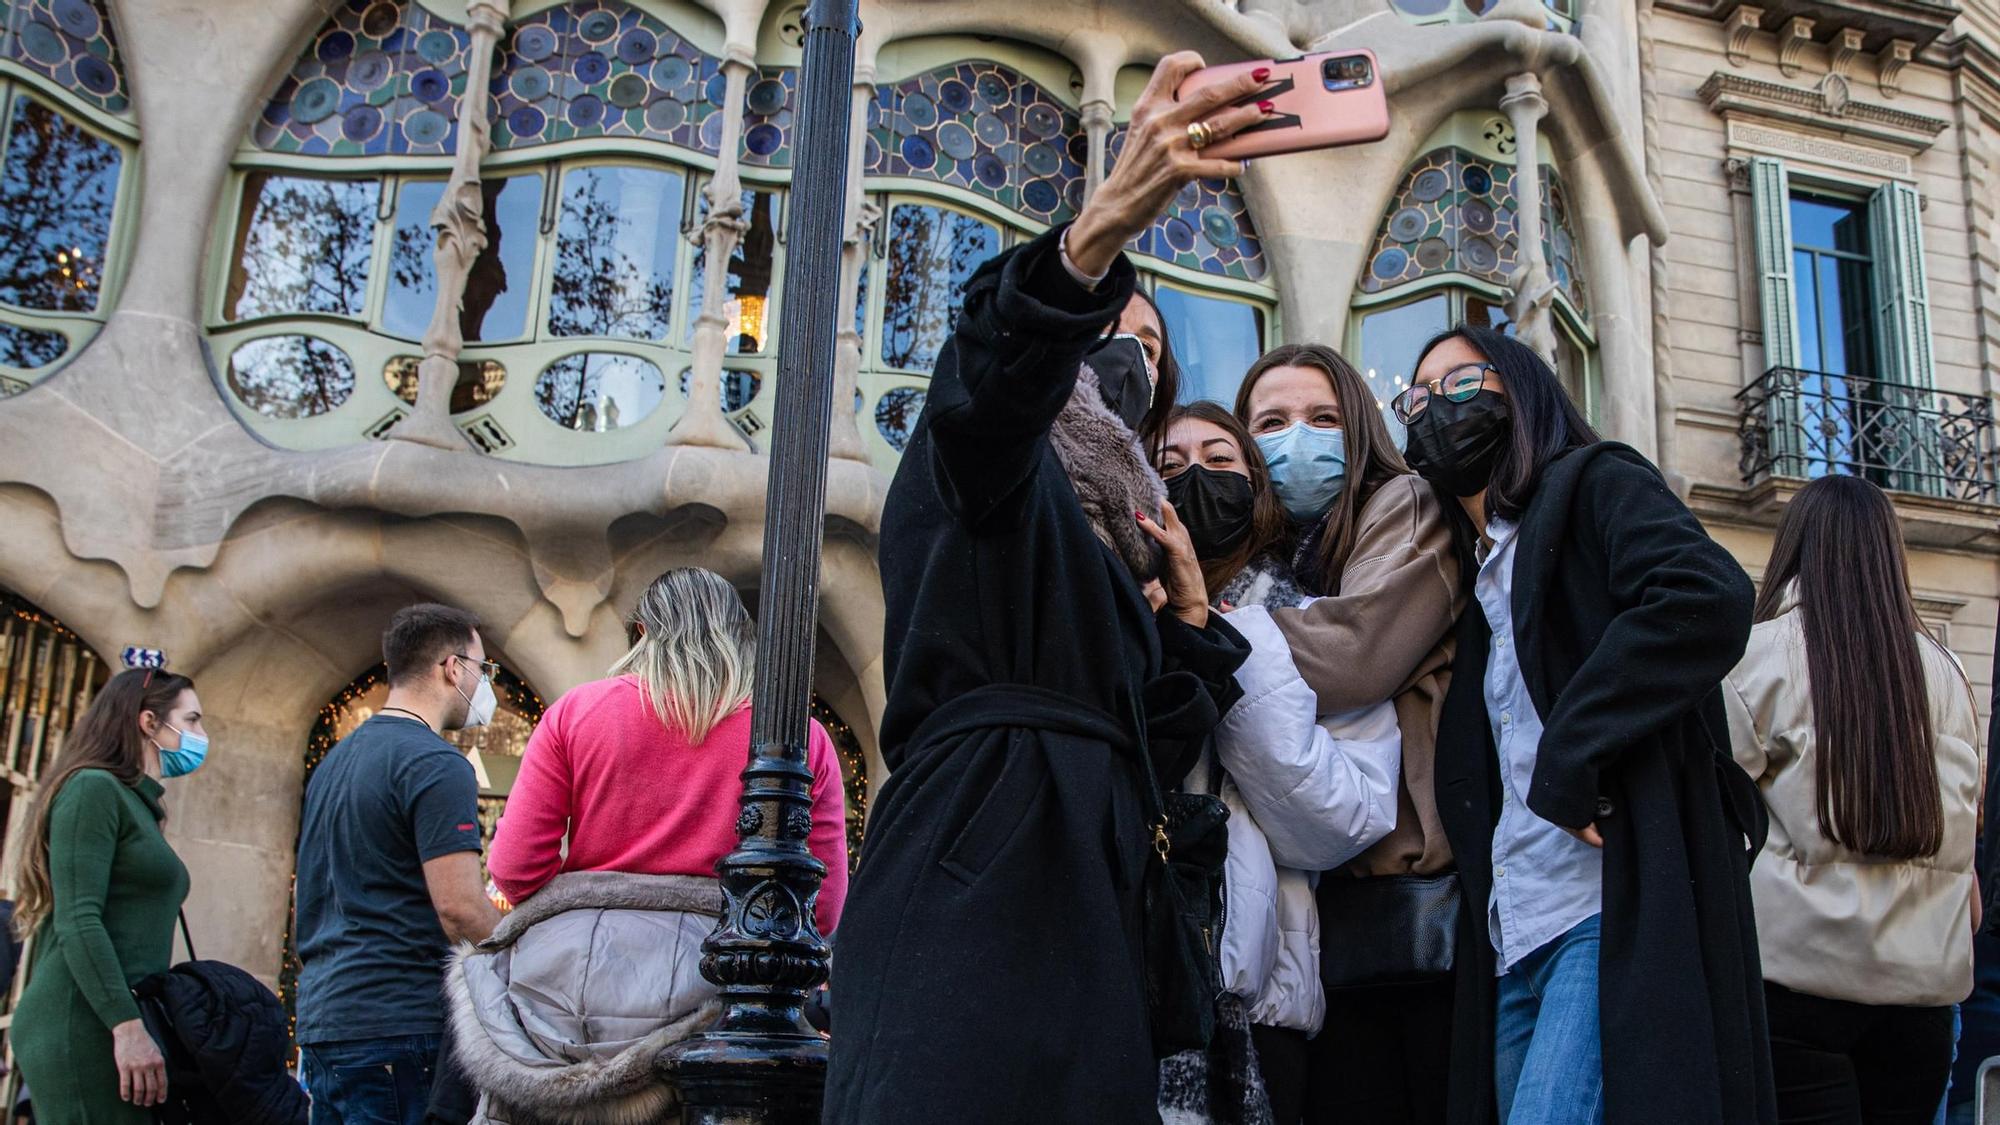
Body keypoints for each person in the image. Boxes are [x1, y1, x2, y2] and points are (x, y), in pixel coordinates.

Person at [823, 52, 1272, 1125]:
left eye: (1148, 351)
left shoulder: (1124, 552)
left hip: (1093, 900)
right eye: (1108, 332)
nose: (1123, 352)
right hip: (977, 873)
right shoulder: (981, 465)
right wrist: (1097, 234)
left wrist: (1192, 626)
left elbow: (1144, 747)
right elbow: (991, 380)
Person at [1405, 324, 1772, 1125]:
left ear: (1525, 392)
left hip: (1605, 909)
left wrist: (1574, 756)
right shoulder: (1478, 580)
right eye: (1419, 396)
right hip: (1515, 939)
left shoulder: (1594, 482)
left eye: (1463, 383)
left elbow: (1705, 594)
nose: (1437, 406)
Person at [448, 568, 850, 1122]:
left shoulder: (576, 713)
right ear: (742, 637)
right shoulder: (800, 738)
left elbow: (516, 869)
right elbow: (822, 907)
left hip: (563, 992)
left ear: (640, 632)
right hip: (721, 989)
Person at [1152, 402, 1403, 1124]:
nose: (1195, 476)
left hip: (1256, 1016)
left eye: (1221, 460)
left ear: (1257, 486)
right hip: (1116, 992)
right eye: (1169, 466)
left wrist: (1227, 643)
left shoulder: (1308, 625)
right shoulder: (1112, 612)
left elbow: (1340, 820)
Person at [1233, 344, 1464, 1125]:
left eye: (1323, 418)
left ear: (1360, 426)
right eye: (1271, 422)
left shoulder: (1403, 505)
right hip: (1313, 921)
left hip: (1403, 893)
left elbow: (1358, 650)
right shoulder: (1262, 554)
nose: (1298, 438)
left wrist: (1210, 633)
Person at [1724, 475, 1980, 1125]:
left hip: (1792, 983)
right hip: (1922, 992)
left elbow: (1717, 814)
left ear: (1794, 548)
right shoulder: (1946, 672)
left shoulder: (1755, 658)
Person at [293, 604, 502, 1125]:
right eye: (483, 669)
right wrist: (524, 955)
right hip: (401, 1024)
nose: (484, 685)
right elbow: (459, 909)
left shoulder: (334, 762)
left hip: (325, 1020)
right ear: (453, 668)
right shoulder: (436, 763)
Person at [11, 667, 206, 1124]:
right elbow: (79, 918)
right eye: (192, 720)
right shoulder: (92, 788)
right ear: (148, 723)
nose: (201, 734)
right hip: (85, 1021)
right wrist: (126, 1026)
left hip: (117, 1018)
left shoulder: (134, 801)